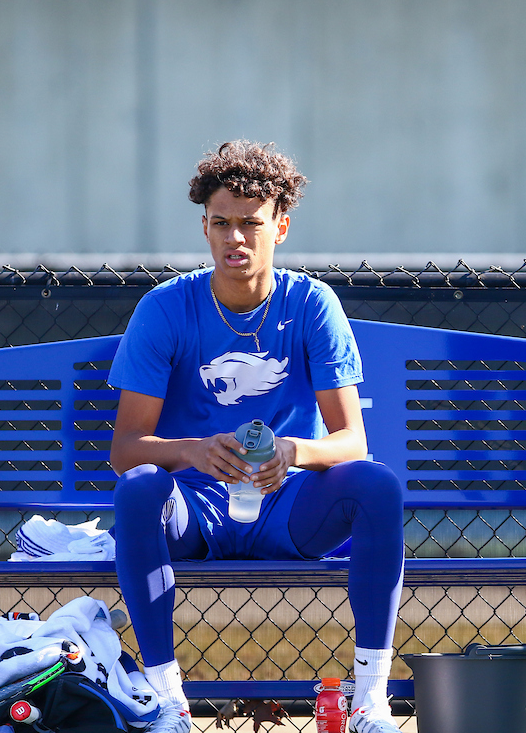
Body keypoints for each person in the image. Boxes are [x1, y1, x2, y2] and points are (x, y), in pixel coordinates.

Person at [107, 140, 406, 733]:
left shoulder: (312, 304)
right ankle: (168, 700)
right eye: (221, 223)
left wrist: (294, 452)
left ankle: (371, 698)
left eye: (250, 223)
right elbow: (125, 451)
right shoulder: (165, 308)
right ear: (205, 227)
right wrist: (193, 450)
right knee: (139, 488)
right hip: (194, 506)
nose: (235, 238)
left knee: (376, 485)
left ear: (281, 227)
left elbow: (352, 442)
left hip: (288, 505)